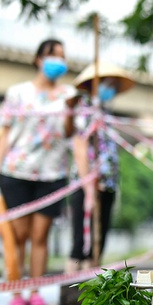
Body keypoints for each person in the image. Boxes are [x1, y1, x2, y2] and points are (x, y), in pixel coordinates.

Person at [0, 38, 77, 305]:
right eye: (52, 55)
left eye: (62, 55)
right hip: (16, 171)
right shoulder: (17, 93)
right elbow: (5, 132)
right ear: (38, 59)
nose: (58, 61)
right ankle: (16, 290)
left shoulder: (68, 94)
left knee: (40, 235)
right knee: (18, 235)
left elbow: (70, 133)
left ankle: (34, 289)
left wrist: (70, 110)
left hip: (52, 174)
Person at [64, 62, 135, 272]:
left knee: (98, 243)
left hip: (107, 185)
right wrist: (88, 188)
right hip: (87, 185)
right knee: (81, 243)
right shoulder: (84, 108)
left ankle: (92, 289)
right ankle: (72, 289)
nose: (111, 89)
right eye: (108, 84)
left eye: (114, 85)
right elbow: (80, 146)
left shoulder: (104, 112)